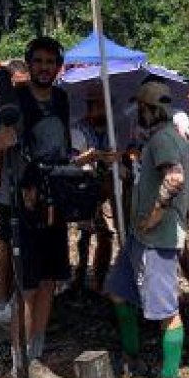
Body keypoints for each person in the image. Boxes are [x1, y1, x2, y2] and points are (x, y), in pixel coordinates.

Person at [0, 36, 73, 378]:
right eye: (38, 61)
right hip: (21, 205)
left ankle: (36, 358)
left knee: (49, 282)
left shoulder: (62, 99)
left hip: (54, 201)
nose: (44, 67)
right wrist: (1, 141)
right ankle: (19, 368)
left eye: (50, 62)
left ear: (58, 67)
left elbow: (62, 148)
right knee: (27, 287)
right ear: (28, 64)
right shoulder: (11, 101)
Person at [105, 81, 189, 378]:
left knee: (166, 311)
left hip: (157, 238)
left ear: (148, 109)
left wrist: (155, 213)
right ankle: (133, 357)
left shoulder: (164, 139)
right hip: (141, 237)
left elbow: (175, 178)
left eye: (140, 109)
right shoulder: (162, 137)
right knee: (118, 291)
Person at [0, 59, 30, 326]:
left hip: (36, 187)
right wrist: (2, 138)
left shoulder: (39, 99)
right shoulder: (1, 106)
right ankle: (3, 300)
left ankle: (28, 300)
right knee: (6, 240)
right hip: (9, 186)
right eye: (18, 83)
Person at [72, 89, 118, 293]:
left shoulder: (112, 129)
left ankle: (99, 278)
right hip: (83, 187)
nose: (101, 109)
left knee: (105, 234)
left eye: (103, 105)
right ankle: (80, 275)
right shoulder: (79, 129)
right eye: (97, 105)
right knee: (84, 233)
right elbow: (73, 160)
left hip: (107, 186)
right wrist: (90, 156)